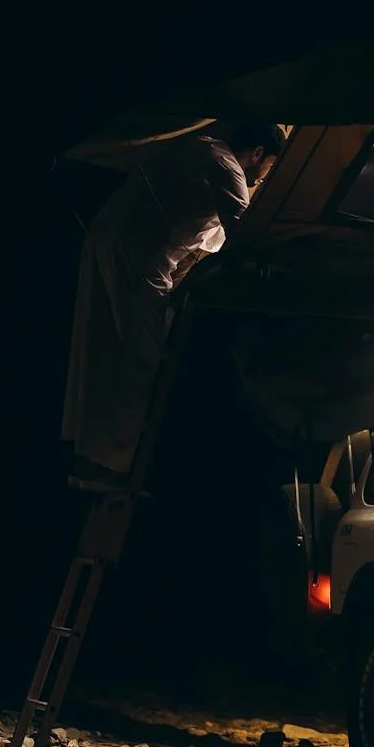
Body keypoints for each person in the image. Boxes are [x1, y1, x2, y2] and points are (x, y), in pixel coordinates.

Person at [61, 122, 288, 490]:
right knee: (139, 361)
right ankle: (112, 467)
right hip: (137, 256)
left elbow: (205, 242)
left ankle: (88, 458)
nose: (264, 176)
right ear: (258, 153)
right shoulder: (223, 163)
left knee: (101, 346)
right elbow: (246, 232)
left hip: (114, 242)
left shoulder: (200, 150)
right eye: (269, 166)